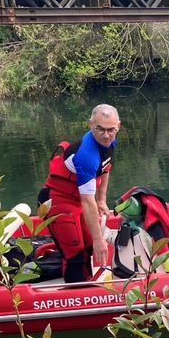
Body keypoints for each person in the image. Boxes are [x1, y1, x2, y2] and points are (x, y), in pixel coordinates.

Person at [38, 104, 119, 283]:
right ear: (90, 124)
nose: (106, 135)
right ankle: (77, 294)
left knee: (88, 247)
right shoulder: (86, 156)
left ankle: (87, 283)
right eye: (100, 129)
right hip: (57, 199)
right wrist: (99, 239)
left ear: (118, 127)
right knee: (75, 254)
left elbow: (106, 168)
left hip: (78, 200)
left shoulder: (110, 141)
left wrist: (102, 199)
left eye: (111, 130)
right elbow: (86, 200)